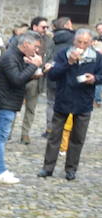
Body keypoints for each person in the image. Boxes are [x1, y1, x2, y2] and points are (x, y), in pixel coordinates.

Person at [39, 28, 100, 180]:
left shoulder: (96, 57)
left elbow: (101, 75)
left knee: (77, 138)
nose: (82, 45)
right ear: (74, 41)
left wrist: (95, 79)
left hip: (83, 101)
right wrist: (69, 63)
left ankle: (71, 169)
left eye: (85, 43)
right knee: (55, 136)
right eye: (79, 42)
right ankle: (48, 168)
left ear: (90, 43)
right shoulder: (63, 53)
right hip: (64, 98)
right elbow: (53, 75)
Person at [0, 30, 44, 185]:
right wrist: (34, 67)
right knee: (1, 137)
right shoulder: (10, 57)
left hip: (9, 100)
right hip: (6, 101)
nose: (36, 50)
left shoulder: (17, 55)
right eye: (35, 47)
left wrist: (32, 72)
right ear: (26, 44)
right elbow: (17, 80)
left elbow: (19, 76)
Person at [18, 16, 52, 144]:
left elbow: (51, 57)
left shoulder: (49, 41)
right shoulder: (22, 39)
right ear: (34, 27)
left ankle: (25, 134)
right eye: (43, 27)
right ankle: (7, 132)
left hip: (37, 79)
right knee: (13, 107)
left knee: (31, 108)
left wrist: (48, 65)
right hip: (20, 77)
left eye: (47, 27)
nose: (46, 29)